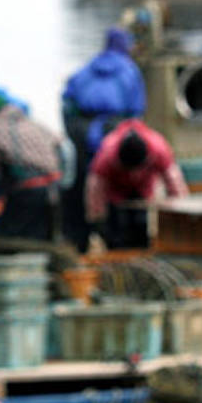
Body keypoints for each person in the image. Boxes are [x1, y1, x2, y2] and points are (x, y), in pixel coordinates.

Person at [60, 26, 148, 251]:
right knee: (118, 183)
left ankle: (79, 239)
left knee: (80, 184)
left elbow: (67, 102)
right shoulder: (130, 70)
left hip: (82, 131)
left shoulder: (86, 70)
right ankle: (120, 242)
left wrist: (75, 131)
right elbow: (136, 109)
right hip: (114, 130)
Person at [0, 91, 74, 243]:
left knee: (18, 240)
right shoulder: (34, 124)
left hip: (27, 192)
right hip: (54, 189)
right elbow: (66, 148)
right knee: (45, 238)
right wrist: (66, 181)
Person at [84, 118, 189, 249]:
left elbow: (174, 181)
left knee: (141, 228)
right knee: (117, 233)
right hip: (116, 193)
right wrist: (97, 220)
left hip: (144, 191)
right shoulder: (107, 151)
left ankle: (141, 251)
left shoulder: (158, 147)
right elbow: (95, 188)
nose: (133, 175)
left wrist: (183, 211)